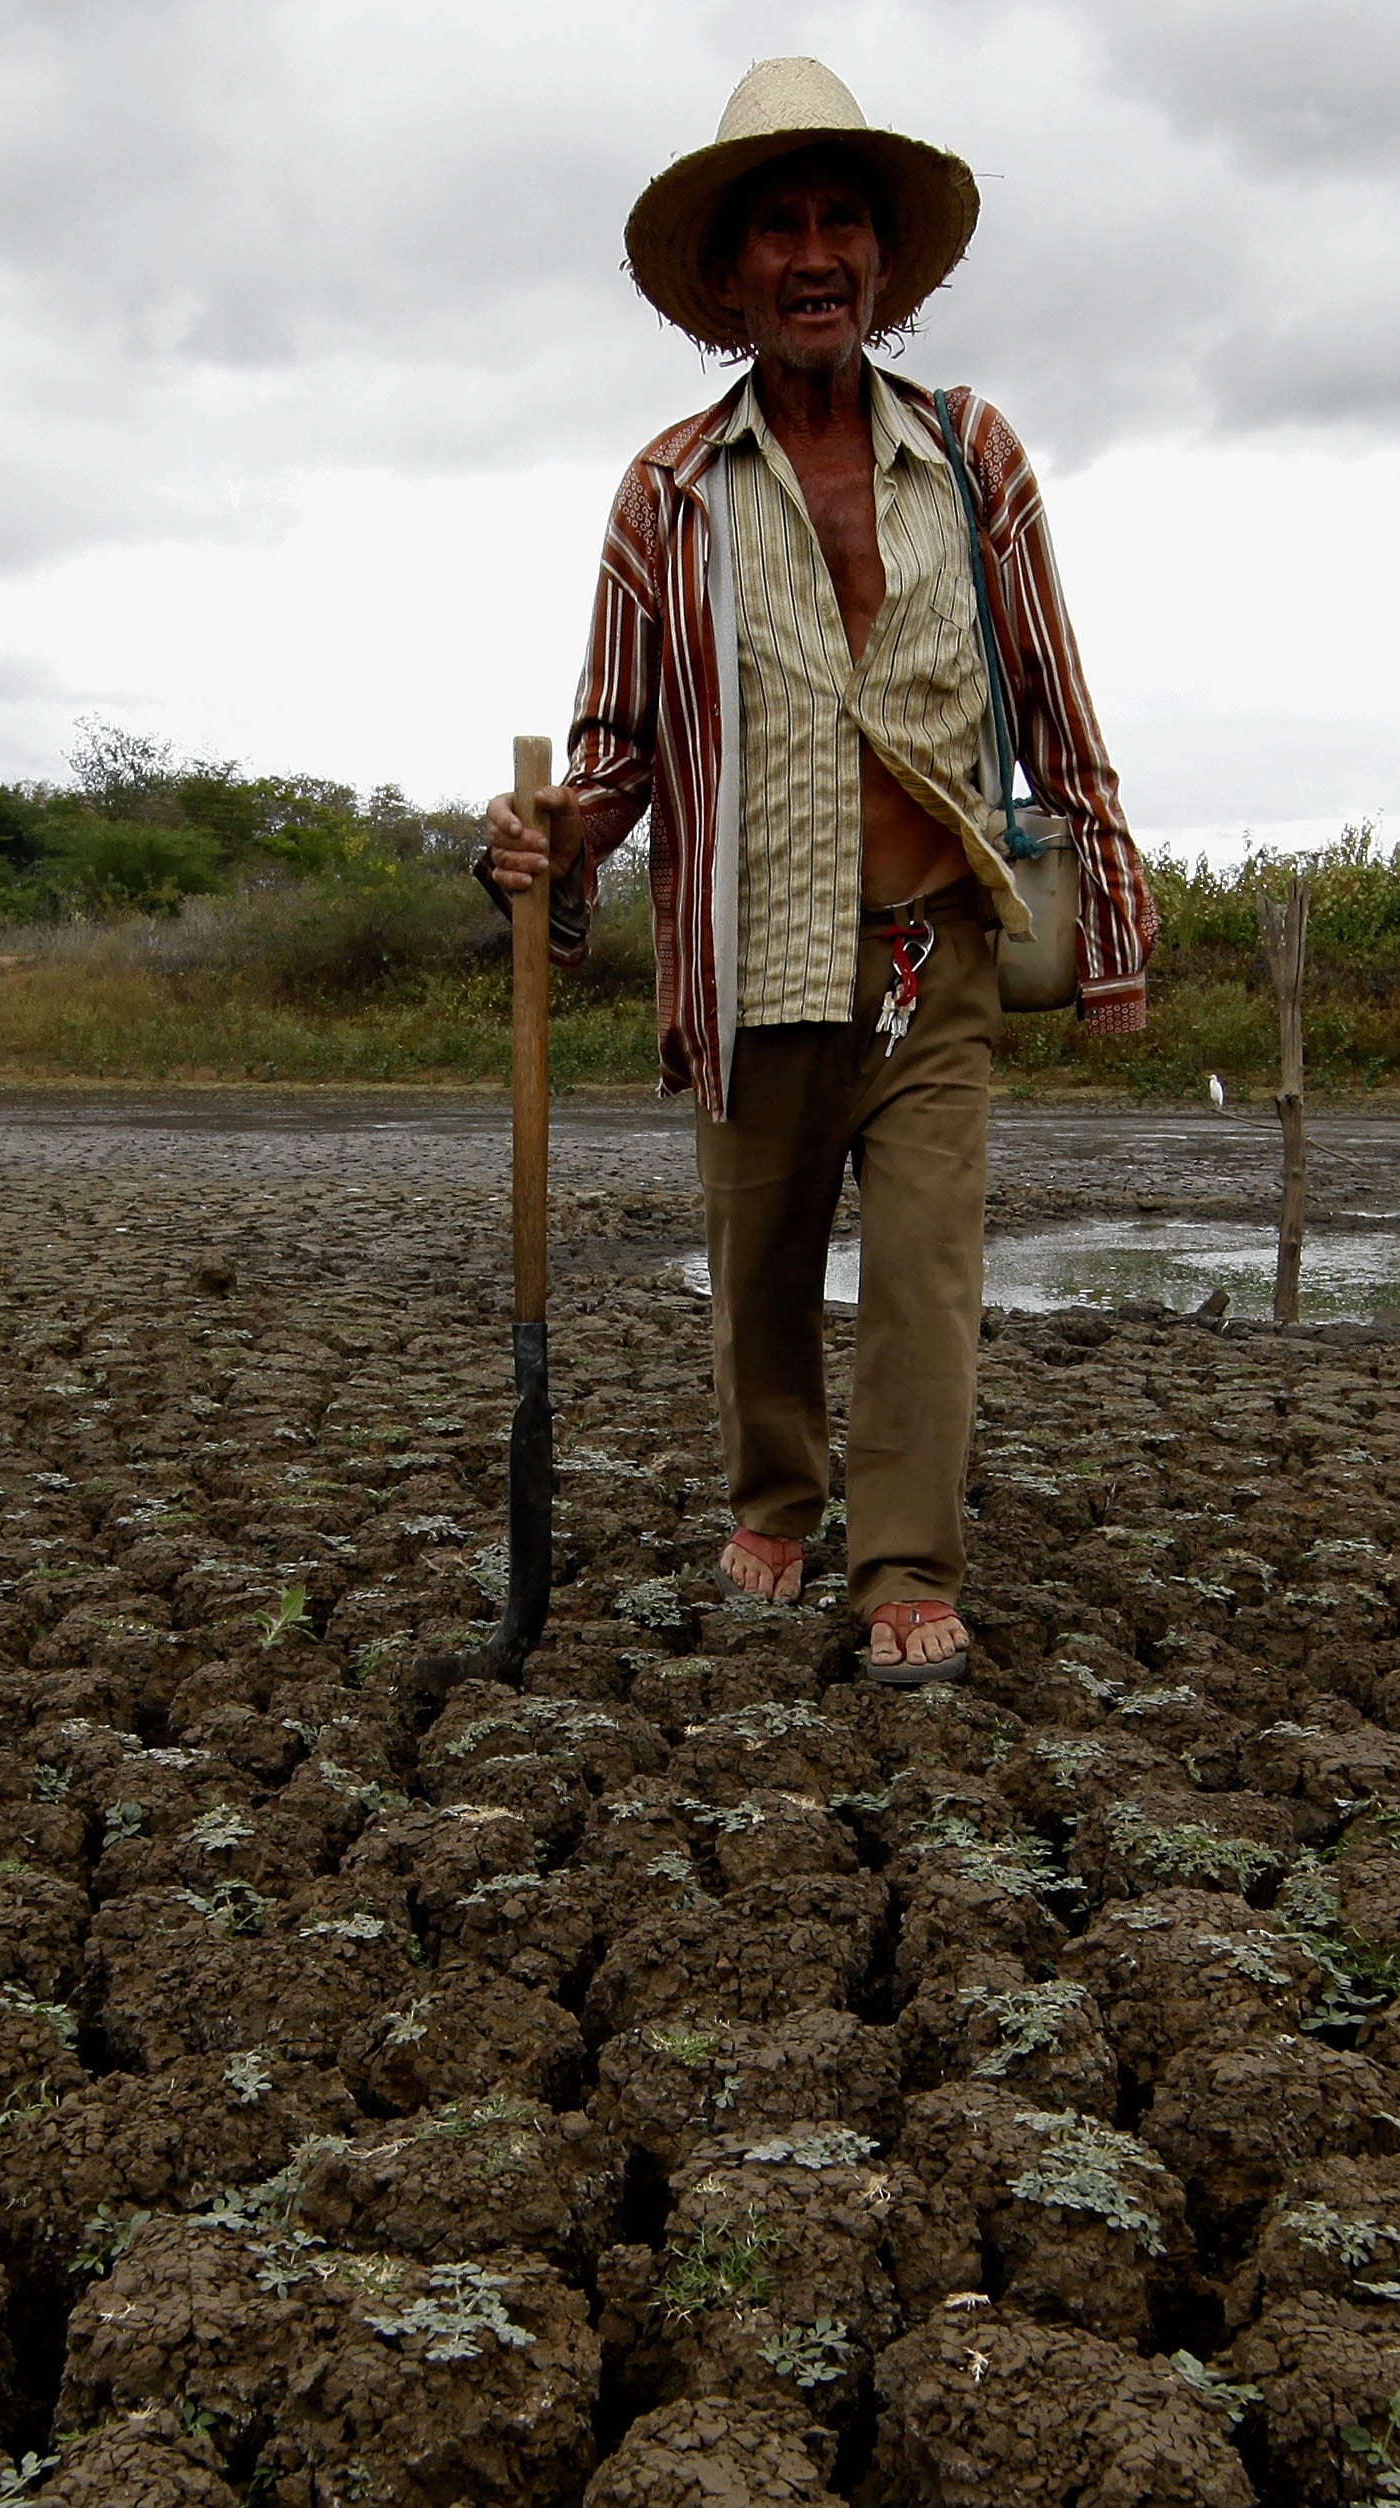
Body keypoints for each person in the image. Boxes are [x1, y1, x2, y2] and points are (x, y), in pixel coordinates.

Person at [486, 56, 1153, 1689]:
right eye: (774, 225)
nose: (810, 252)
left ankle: (906, 1558)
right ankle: (775, 1494)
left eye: (837, 220)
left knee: (925, 1272)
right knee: (763, 1271)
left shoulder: (970, 454)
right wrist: (550, 837)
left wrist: (1115, 917)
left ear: (881, 263)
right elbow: (618, 751)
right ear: (727, 280)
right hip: (748, 943)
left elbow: (1052, 686)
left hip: (937, 949)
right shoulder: (664, 496)